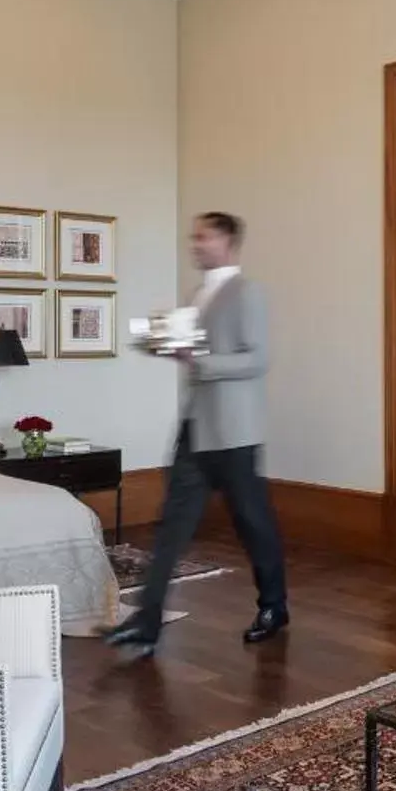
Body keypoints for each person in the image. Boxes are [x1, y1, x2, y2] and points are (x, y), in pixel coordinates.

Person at [105, 212, 290, 652]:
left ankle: (274, 605)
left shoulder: (249, 293)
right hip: (194, 430)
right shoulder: (197, 295)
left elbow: (256, 359)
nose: (195, 243)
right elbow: (198, 356)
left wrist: (199, 361)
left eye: (203, 236)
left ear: (226, 241)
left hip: (234, 433)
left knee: (252, 523)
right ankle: (147, 622)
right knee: (172, 527)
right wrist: (167, 347)